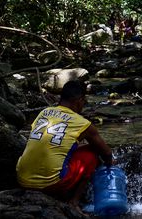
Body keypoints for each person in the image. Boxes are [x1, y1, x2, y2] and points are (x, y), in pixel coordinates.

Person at [16, 80, 113, 213]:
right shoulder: (83, 124)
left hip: (22, 178)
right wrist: (110, 164)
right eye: (84, 102)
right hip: (50, 183)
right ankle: (74, 202)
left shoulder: (44, 112)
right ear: (79, 100)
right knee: (92, 154)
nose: (83, 105)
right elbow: (106, 153)